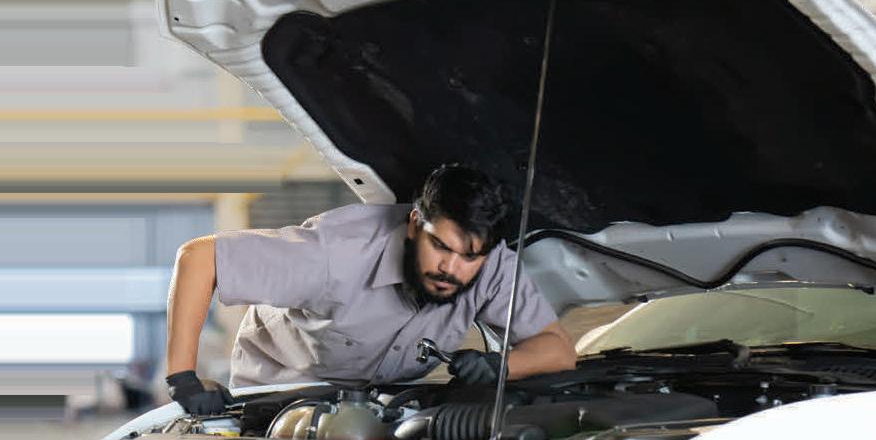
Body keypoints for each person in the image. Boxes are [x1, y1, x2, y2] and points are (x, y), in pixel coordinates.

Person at [165, 164, 577, 414]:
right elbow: (199, 258)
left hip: (376, 406)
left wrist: (501, 366)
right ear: (414, 224)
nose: (451, 269)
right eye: (440, 246)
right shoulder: (337, 254)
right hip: (278, 398)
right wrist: (183, 378)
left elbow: (558, 349)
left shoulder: (492, 265)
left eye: (470, 257)